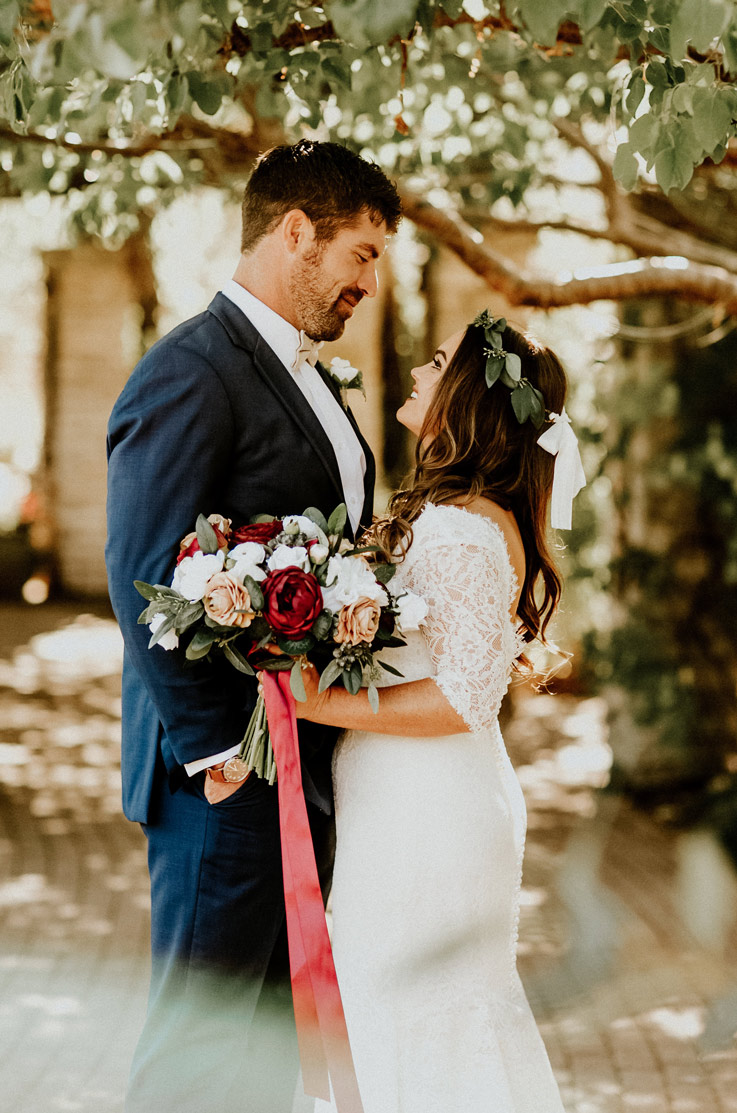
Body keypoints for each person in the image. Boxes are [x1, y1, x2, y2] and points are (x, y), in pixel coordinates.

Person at [105, 139, 401, 1113]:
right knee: (200, 1053)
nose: (371, 279)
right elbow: (142, 566)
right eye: (360, 252)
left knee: (266, 1055)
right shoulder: (193, 370)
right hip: (224, 778)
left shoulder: (306, 375)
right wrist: (210, 751)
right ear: (293, 233)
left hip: (297, 757)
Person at [297, 313, 585, 1113]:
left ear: (466, 398)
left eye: (435, 363)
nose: (420, 372)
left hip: (426, 815)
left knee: (406, 1022)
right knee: (400, 1020)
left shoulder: (459, 529)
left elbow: (463, 696)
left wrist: (319, 700)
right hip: (417, 800)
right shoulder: (465, 512)